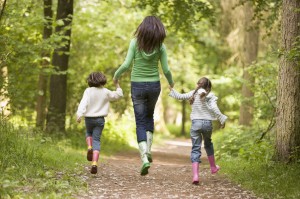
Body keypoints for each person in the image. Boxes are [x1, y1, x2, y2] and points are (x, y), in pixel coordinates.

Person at [113, 16, 174, 176]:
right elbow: (166, 70)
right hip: (154, 85)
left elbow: (126, 64)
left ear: (142, 28)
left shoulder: (135, 43)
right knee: (149, 117)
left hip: (137, 85)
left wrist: (116, 76)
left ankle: (144, 157)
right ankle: (148, 150)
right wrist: (171, 82)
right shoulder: (160, 46)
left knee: (140, 121)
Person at [168, 77, 227, 184]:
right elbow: (215, 109)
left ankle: (195, 176)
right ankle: (213, 167)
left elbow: (179, 96)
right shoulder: (210, 95)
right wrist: (222, 119)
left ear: (197, 84)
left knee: (196, 148)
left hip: (195, 123)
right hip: (207, 124)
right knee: (208, 144)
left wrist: (171, 89)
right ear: (208, 87)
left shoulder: (192, 93)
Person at [76, 72, 123, 174]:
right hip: (100, 120)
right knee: (96, 140)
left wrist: (80, 114)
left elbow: (84, 102)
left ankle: (89, 147)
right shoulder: (105, 91)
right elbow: (118, 95)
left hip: (89, 119)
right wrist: (117, 85)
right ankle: (94, 163)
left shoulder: (88, 91)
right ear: (102, 80)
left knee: (88, 133)